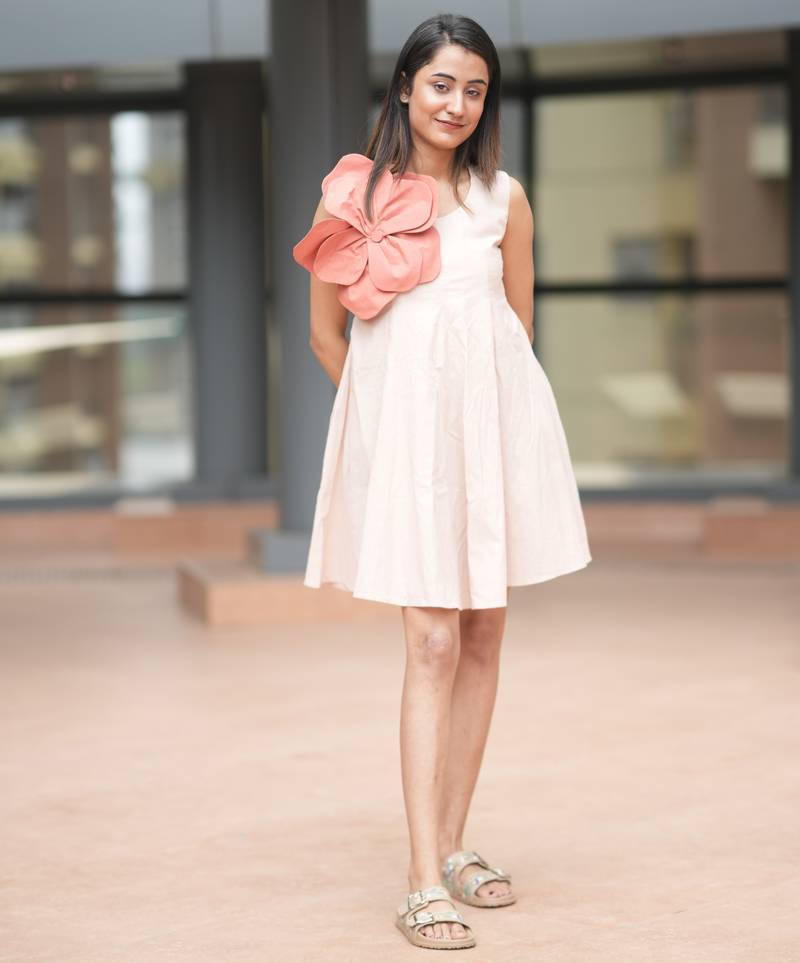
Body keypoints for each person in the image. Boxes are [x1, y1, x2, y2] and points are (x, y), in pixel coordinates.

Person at [293, 12, 592, 952]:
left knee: (483, 637)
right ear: (405, 89)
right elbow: (325, 337)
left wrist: (477, 434)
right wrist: (393, 433)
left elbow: (516, 333)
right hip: (410, 456)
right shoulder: (351, 195)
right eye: (440, 84)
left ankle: (457, 845)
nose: (457, 103)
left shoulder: (505, 198)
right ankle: (422, 879)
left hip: (489, 442)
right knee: (429, 643)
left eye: (474, 88)